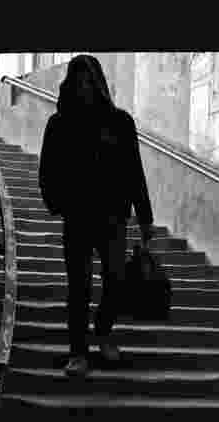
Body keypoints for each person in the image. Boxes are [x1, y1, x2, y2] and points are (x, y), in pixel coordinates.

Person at [39, 54, 155, 377]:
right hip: (77, 217)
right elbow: (47, 170)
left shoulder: (121, 122)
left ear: (99, 84)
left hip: (113, 218)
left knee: (115, 279)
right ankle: (78, 352)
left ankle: (103, 332)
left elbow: (135, 172)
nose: (83, 86)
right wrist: (57, 203)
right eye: (78, 81)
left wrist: (145, 217)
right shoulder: (60, 124)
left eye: (89, 80)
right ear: (70, 85)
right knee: (78, 286)